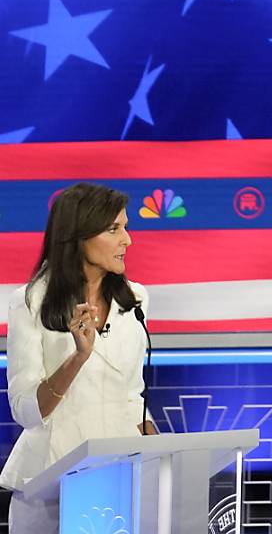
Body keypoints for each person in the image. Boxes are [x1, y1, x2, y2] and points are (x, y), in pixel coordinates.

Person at [0, 182, 156, 533]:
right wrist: (77, 358)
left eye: (126, 227)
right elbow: (25, 410)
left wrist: (166, 460)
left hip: (119, 481)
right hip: (50, 485)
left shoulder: (135, 299)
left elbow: (132, 397)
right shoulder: (30, 302)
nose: (127, 240)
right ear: (79, 236)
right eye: (114, 229)